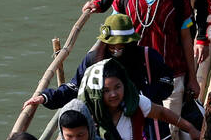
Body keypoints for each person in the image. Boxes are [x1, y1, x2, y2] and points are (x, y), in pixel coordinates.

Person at [25, 13, 174, 111]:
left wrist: (138, 97)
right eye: (112, 46)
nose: (116, 50)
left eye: (121, 46)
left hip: (144, 125)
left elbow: (167, 82)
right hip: (105, 126)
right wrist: (46, 97)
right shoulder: (93, 60)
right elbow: (74, 88)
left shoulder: (148, 57)